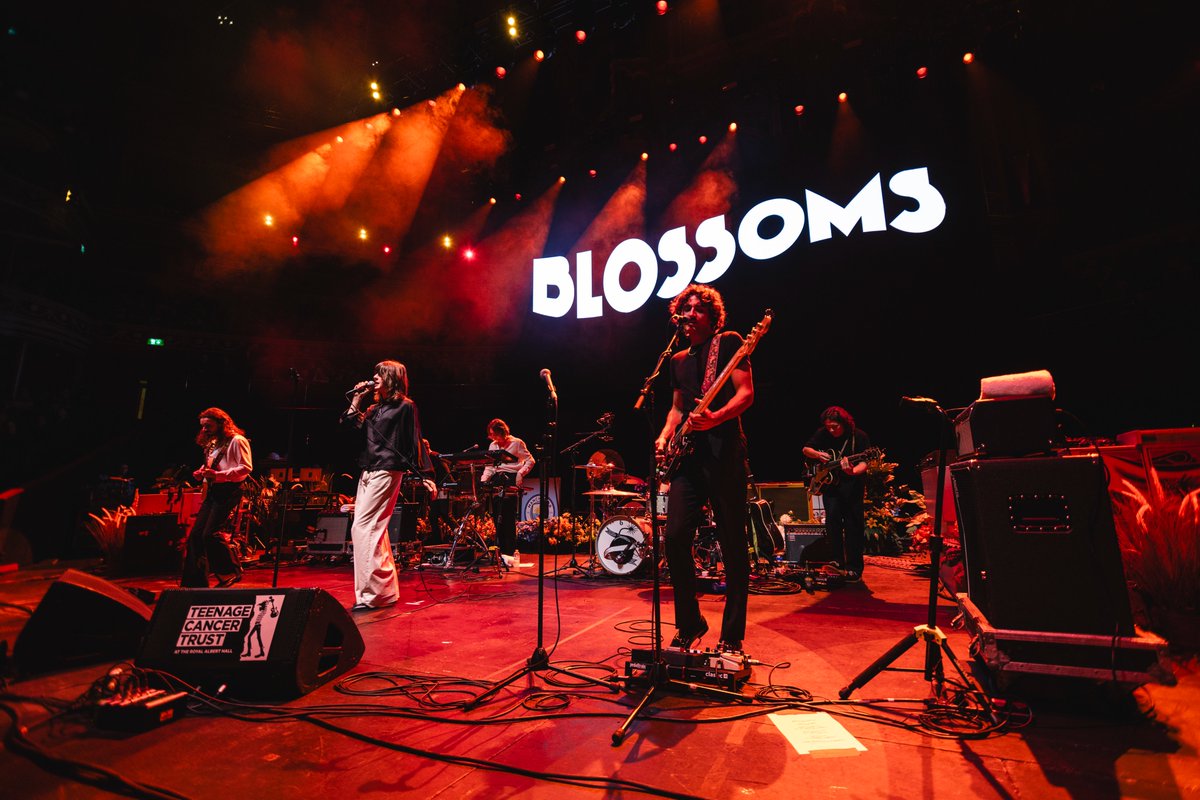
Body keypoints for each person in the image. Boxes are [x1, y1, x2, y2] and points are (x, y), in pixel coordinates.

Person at [654, 284, 754, 653]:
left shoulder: (728, 342)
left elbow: (746, 393)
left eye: (698, 308)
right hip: (689, 458)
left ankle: (731, 636)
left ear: (713, 316)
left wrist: (717, 418)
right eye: (686, 308)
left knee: (733, 545)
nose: (690, 313)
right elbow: (677, 409)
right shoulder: (677, 359)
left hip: (724, 452)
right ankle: (690, 622)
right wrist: (666, 435)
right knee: (675, 537)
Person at [342, 361, 431, 611]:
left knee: (363, 529)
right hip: (368, 471)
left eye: (379, 374)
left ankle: (372, 596)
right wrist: (357, 400)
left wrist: (425, 473)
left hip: (387, 470)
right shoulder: (373, 408)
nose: (374, 378)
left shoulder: (405, 406)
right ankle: (385, 592)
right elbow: (349, 427)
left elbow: (414, 439)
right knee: (373, 531)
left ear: (391, 377)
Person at [182, 408, 251, 588]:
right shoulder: (214, 443)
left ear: (221, 423)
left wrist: (218, 476)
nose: (204, 429)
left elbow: (245, 468)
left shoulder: (237, 440)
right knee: (196, 535)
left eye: (208, 425)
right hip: (214, 490)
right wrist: (202, 473)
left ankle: (232, 571)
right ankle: (195, 581)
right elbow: (214, 465)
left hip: (229, 489)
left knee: (210, 534)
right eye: (203, 426)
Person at [802, 406, 871, 582]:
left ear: (844, 423)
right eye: (828, 427)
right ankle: (837, 562)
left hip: (852, 487)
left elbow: (864, 462)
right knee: (832, 524)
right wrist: (818, 454)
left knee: (853, 526)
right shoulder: (823, 433)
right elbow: (806, 449)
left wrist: (853, 472)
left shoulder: (859, 437)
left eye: (835, 426)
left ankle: (854, 568)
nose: (831, 430)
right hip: (831, 488)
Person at [479, 418, 534, 563]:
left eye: (495, 435)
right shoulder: (493, 445)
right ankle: (500, 553)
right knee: (497, 516)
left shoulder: (517, 443)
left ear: (503, 432)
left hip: (511, 478)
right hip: (497, 479)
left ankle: (509, 553)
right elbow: (490, 467)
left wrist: (520, 474)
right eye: (491, 435)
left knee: (508, 518)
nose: (493, 438)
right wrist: (483, 481)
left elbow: (530, 460)